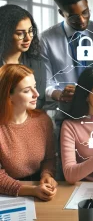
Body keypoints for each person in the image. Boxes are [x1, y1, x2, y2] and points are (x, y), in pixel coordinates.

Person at [0, 64, 57, 200]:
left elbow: (49, 159)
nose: (36, 94)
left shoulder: (43, 120)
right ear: (9, 95)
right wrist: (31, 190)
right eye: (27, 91)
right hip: (8, 194)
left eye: (35, 86)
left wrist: (47, 176)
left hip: (38, 188)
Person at [0, 4, 46, 109]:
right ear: (4, 34)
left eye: (30, 31)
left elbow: (39, 100)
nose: (28, 38)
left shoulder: (37, 63)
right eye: (20, 33)